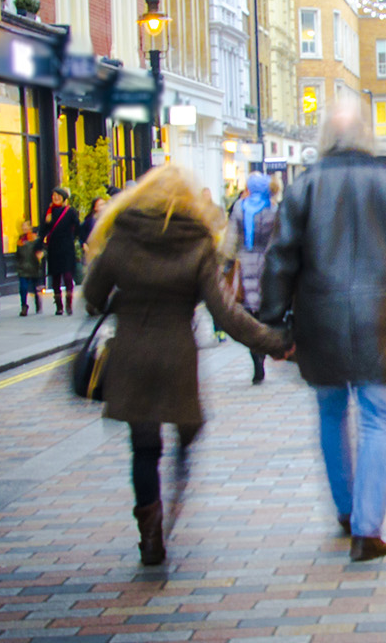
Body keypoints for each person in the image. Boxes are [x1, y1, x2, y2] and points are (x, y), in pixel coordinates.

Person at [81, 164, 291, 567]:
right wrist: (274, 342)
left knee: (143, 448)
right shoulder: (195, 243)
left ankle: (150, 532)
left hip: (130, 354)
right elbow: (226, 314)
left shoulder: (122, 236)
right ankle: (179, 470)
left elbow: (92, 295)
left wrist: (118, 299)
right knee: (187, 425)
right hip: (176, 355)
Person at [260, 97, 386, 562]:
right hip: (385, 318)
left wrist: (274, 320)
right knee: (379, 417)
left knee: (330, 412)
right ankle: (367, 529)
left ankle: (345, 510)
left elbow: (281, 258)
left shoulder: (304, 188)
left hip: (321, 320)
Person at [224, 172, 282, 385]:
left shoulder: (240, 207)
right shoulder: (273, 209)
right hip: (268, 267)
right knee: (264, 314)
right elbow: (280, 239)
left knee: (249, 314)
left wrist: (227, 263)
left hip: (245, 265)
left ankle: (256, 356)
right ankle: (263, 350)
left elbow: (231, 239)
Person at [37, 187, 81, 315]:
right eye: (54, 195)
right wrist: (39, 245)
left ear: (63, 198)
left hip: (67, 248)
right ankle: (59, 306)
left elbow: (77, 227)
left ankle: (69, 304)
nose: (56, 198)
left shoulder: (70, 212)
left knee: (67, 277)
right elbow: (43, 230)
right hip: (54, 248)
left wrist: (75, 239)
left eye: (58, 196)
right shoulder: (49, 212)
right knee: (55, 279)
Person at [15, 230, 44, 316]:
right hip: (23, 269)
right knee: (23, 288)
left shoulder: (36, 241)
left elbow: (42, 251)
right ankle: (24, 306)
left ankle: (37, 301)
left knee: (35, 288)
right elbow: (17, 255)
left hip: (33, 269)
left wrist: (41, 255)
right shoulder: (20, 241)